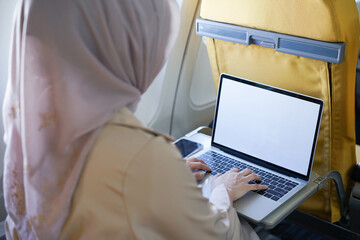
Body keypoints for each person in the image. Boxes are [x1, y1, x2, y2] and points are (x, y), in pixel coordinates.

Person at [2, 0, 267, 239]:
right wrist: (223, 190)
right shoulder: (140, 155)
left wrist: (163, 180)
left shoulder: (29, 119)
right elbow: (214, 235)